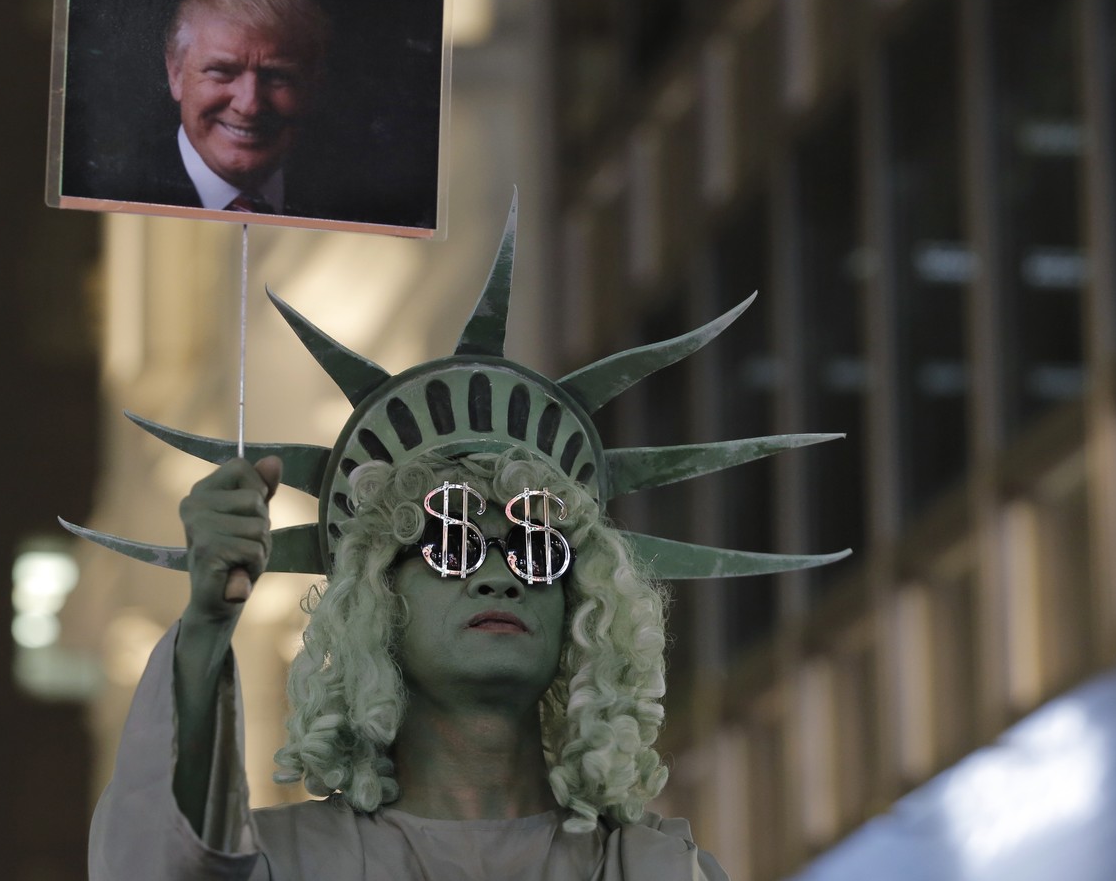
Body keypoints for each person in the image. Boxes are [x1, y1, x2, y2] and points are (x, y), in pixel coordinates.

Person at [71, 203, 846, 878]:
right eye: (449, 539)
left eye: (537, 545)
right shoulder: (288, 863)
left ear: (582, 602)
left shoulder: (655, 871)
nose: (500, 574)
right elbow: (152, 867)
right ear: (378, 595)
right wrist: (208, 623)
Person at [142, 0, 329, 215]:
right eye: (222, 72)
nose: (249, 105)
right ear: (175, 73)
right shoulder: (116, 190)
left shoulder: (348, 200)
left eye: (276, 76)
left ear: (311, 84)